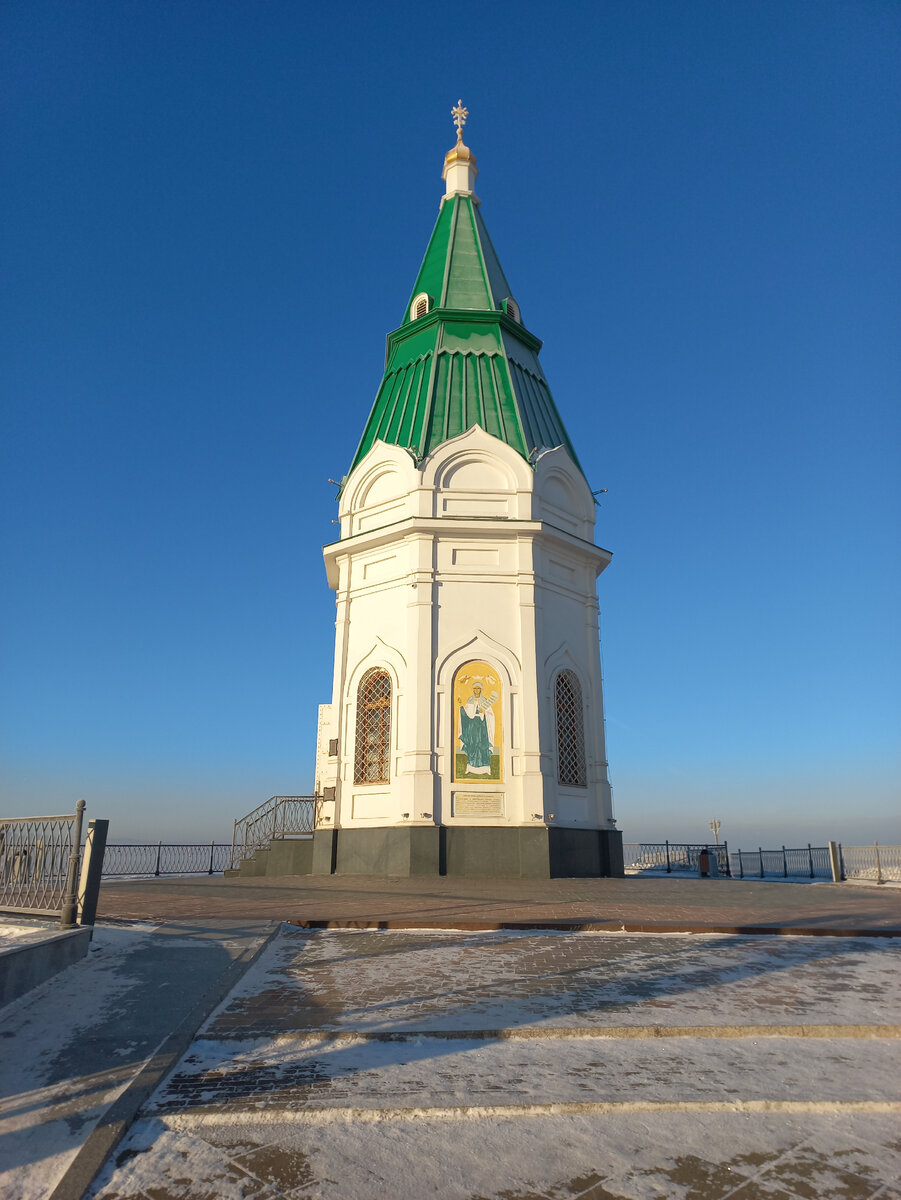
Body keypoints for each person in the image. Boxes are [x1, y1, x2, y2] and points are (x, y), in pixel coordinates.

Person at [457, 681, 496, 775]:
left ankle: (485, 767)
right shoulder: (470, 700)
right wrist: (461, 707)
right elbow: (466, 714)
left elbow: (491, 715)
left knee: (483, 746)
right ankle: (471, 766)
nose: (476, 690)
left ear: (481, 690)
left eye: (478, 688)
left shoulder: (485, 701)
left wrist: (484, 711)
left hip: (482, 727)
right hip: (473, 727)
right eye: (475, 688)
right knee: (472, 745)